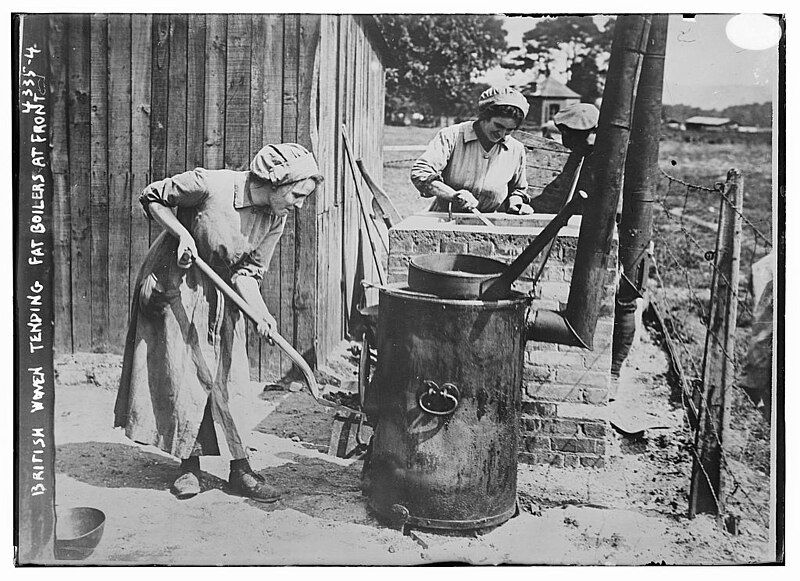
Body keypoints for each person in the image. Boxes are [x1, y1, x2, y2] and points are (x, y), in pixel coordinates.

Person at [114, 143, 322, 502]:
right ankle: (188, 466)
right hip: (176, 283)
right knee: (187, 376)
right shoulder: (211, 185)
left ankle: (241, 469)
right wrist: (182, 234)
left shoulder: (276, 216)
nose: (299, 204)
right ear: (276, 182)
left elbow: (249, 272)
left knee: (229, 375)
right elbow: (152, 197)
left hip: (222, 289)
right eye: (298, 195)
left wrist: (261, 312)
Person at [410, 87, 532, 215]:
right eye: (498, 126)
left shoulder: (516, 149)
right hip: (444, 217)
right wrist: (453, 196)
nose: (502, 134)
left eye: (509, 130)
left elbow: (518, 189)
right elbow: (421, 172)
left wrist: (516, 203)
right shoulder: (452, 136)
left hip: (487, 222)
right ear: (485, 116)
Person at [529, 102, 599, 214]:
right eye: (564, 133)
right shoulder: (578, 154)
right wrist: (532, 206)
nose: (566, 139)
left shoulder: (603, 159)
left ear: (594, 131)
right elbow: (560, 187)